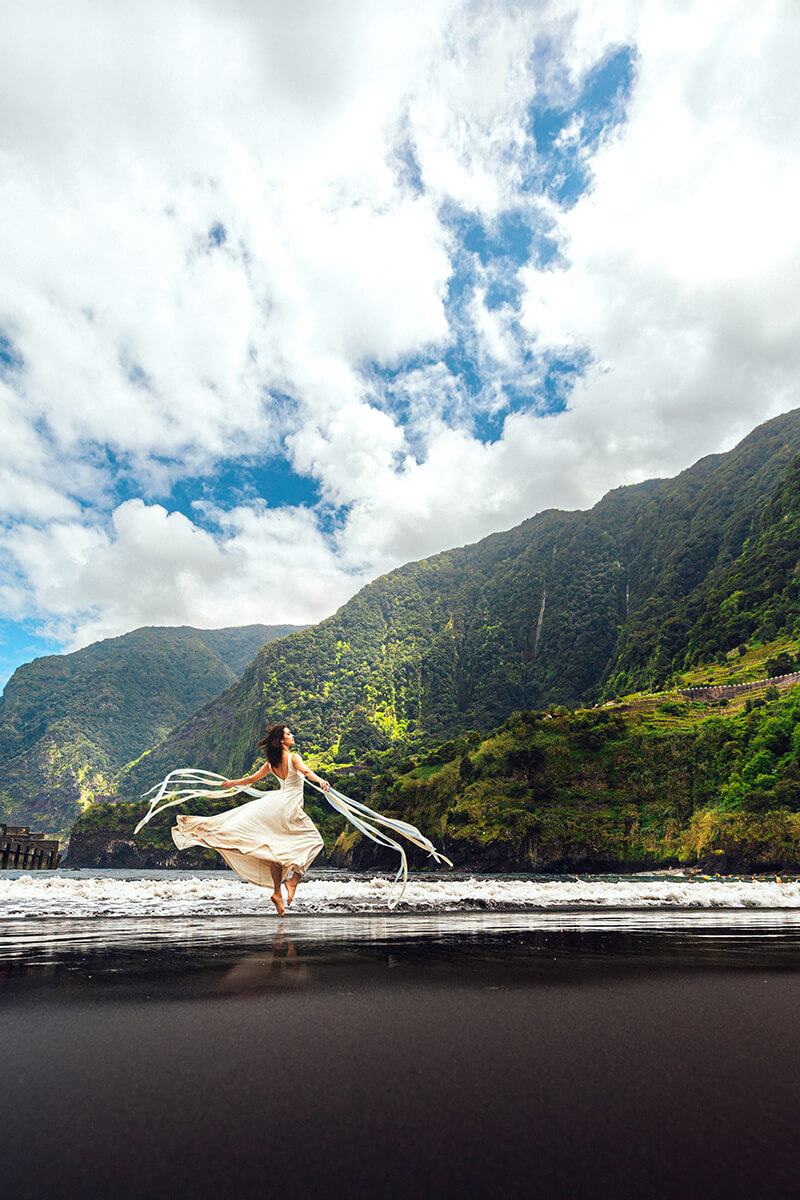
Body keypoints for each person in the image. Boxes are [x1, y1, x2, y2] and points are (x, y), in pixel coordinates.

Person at [171, 723, 329, 916]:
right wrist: (320, 781)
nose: (292, 735)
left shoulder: (272, 763)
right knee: (316, 841)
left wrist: (232, 783)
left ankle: (277, 893)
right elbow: (306, 772)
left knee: (274, 853)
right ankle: (293, 881)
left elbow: (251, 779)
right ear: (281, 740)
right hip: (289, 807)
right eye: (289, 734)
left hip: (276, 804)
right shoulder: (294, 758)